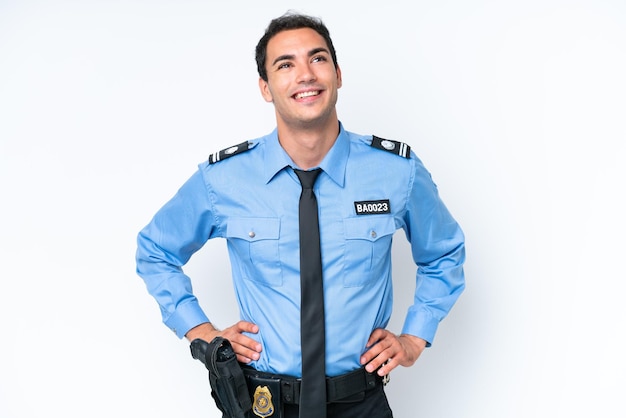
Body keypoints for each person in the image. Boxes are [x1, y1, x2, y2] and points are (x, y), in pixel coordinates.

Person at [136, 11, 465, 418]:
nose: (305, 74)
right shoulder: (224, 180)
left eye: (318, 58)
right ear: (265, 87)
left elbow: (444, 253)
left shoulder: (396, 171)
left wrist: (416, 336)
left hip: (361, 404)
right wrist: (204, 334)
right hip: (261, 405)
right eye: (285, 64)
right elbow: (155, 249)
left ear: (338, 75)